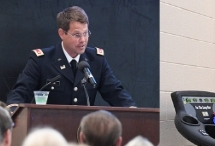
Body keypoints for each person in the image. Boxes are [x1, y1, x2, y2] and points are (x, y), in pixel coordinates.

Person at [5, 6, 135, 107]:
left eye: (86, 33)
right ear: (62, 33)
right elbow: (21, 91)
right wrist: (12, 109)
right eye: (77, 35)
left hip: (83, 133)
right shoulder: (42, 60)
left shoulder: (96, 60)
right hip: (52, 133)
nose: (83, 40)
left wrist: (132, 110)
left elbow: (115, 92)